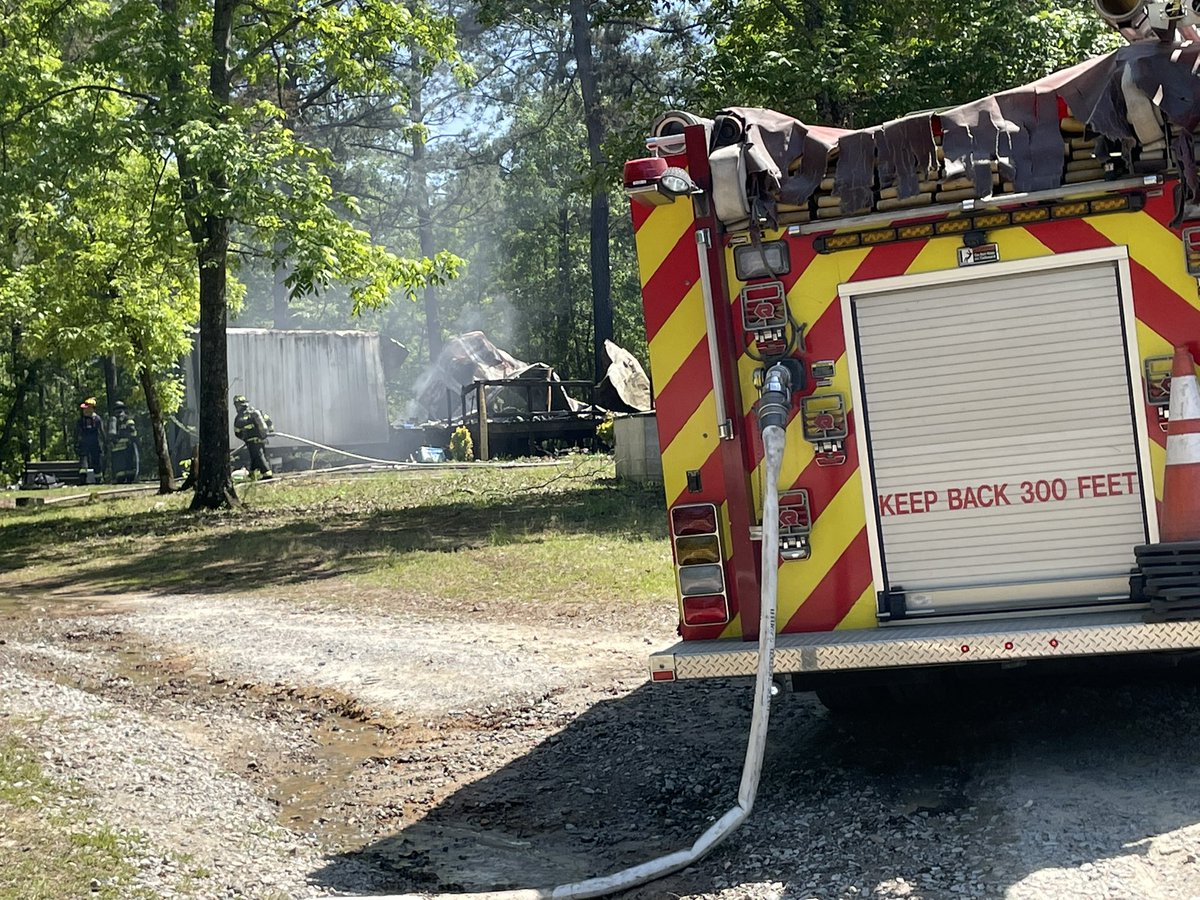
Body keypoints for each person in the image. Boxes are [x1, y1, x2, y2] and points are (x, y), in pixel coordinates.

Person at [233, 394, 274, 479]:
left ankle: (267, 473)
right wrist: (270, 431)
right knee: (254, 457)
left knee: (259, 456)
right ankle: (252, 474)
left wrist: (244, 438)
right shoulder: (256, 411)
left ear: (238, 405)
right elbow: (268, 420)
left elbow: (237, 432)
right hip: (261, 439)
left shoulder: (239, 417)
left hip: (251, 442)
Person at [75, 397, 105, 484]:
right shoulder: (81, 420)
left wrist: (104, 443)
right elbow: (76, 432)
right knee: (83, 462)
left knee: (96, 461)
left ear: (92, 408)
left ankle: (98, 479)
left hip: (94, 443)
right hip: (84, 443)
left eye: (86, 408)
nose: (84, 410)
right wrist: (76, 443)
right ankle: (82, 480)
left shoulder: (97, 419)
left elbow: (102, 431)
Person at [110, 401, 140, 484]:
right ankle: (130, 478)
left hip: (117, 448)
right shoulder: (128, 420)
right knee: (129, 464)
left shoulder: (113, 420)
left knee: (120, 466)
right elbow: (133, 432)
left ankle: (121, 478)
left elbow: (111, 435)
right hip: (128, 447)